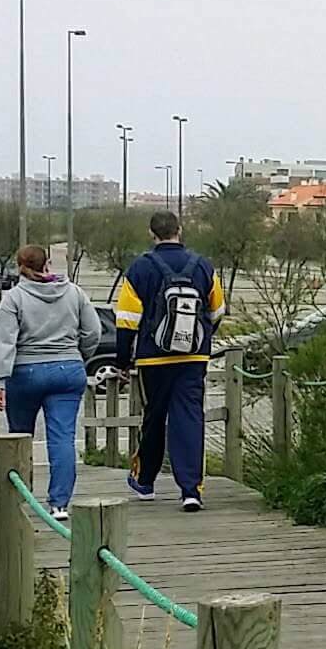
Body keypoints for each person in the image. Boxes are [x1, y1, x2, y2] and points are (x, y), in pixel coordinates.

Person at [115, 211, 226, 511]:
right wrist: (199, 337)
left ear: (152, 234)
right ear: (180, 230)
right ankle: (191, 490)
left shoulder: (139, 268)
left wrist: (123, 360)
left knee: (154, 417)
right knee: (189, 418)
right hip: (194, 357)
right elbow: (216, 312)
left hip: (153, 359)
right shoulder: (203, 266)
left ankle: (146, 481)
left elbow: (126, 320)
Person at [0, 244, 101, 521]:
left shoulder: (14, 298)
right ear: (48, 263)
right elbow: (93, 331)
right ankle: (60, 504)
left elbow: (4, 341)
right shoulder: (74, 292)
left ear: (20, 266)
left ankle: (21, 496)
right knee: (62, 438)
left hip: (26, 372)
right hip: (68, 369)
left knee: (20, 437)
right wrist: (78, 355)